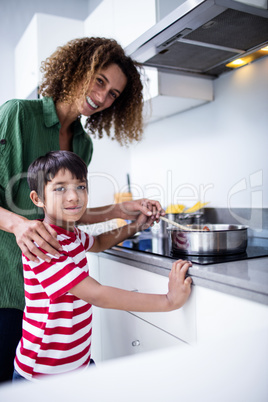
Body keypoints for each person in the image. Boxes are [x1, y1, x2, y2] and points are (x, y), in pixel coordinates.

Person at [0, 37, 164, 383]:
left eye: (114, 94)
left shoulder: (82, 144)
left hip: (48, 294)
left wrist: (123, 210)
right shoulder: (16, 114)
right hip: (6, 282)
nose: (103, 97)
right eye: (100, 80)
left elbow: (70, 213)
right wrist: (16, 224)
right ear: (78, 69)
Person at [13, 150, 192, 381]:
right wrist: (169, 301)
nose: (74, 197)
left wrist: (137, 225)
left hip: (78, 361)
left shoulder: (71, 233)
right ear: (38, 199)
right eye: (60, 188)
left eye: (81, 186)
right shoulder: (44, 243)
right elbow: (97, 294)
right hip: (44, 371)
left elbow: (97, 243)